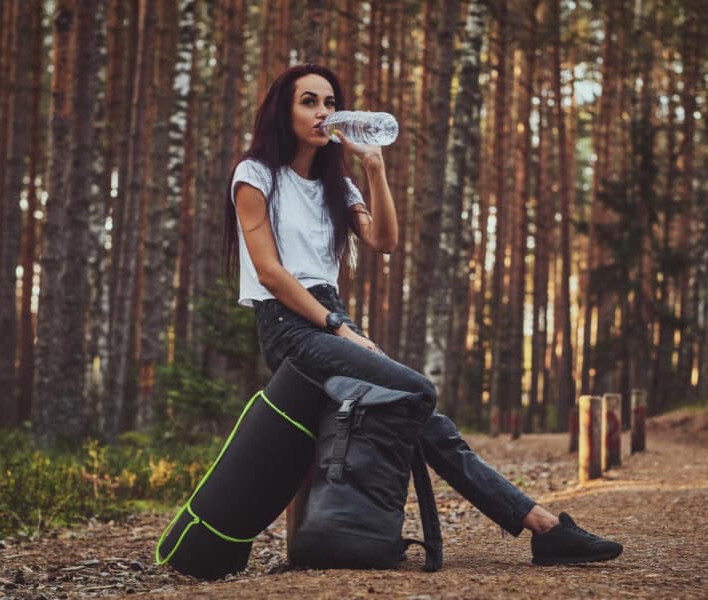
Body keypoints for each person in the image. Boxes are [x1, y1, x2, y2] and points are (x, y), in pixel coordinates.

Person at [222, 63, 623, 567]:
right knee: (417, 390)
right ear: (283, 110)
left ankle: (542, 526)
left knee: (429, 422)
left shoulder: (336, 186)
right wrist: (339, 329)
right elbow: (271, 274)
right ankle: (533, 526)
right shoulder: (254, 175)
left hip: (331, 318)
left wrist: (375, 169)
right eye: (309, 101)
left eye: (329, 101)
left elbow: (385, 241)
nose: (324, 112)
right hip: (290, 326)